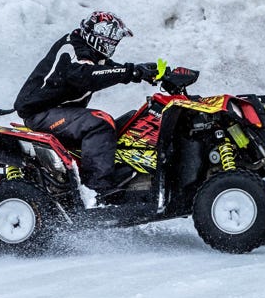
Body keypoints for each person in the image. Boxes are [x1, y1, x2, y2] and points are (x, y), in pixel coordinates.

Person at [14, 11, 159, 196]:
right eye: (110, 40)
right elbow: (87, 75)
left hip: (57, 112)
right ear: (98, 35)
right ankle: (96, 188)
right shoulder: (73, 49)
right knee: (100, 122)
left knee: (130, 120)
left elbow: (108, 69)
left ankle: (120, 174)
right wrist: (132, 72)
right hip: (41, 113)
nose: (112, 45)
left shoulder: (88, 51)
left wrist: (148, 71)